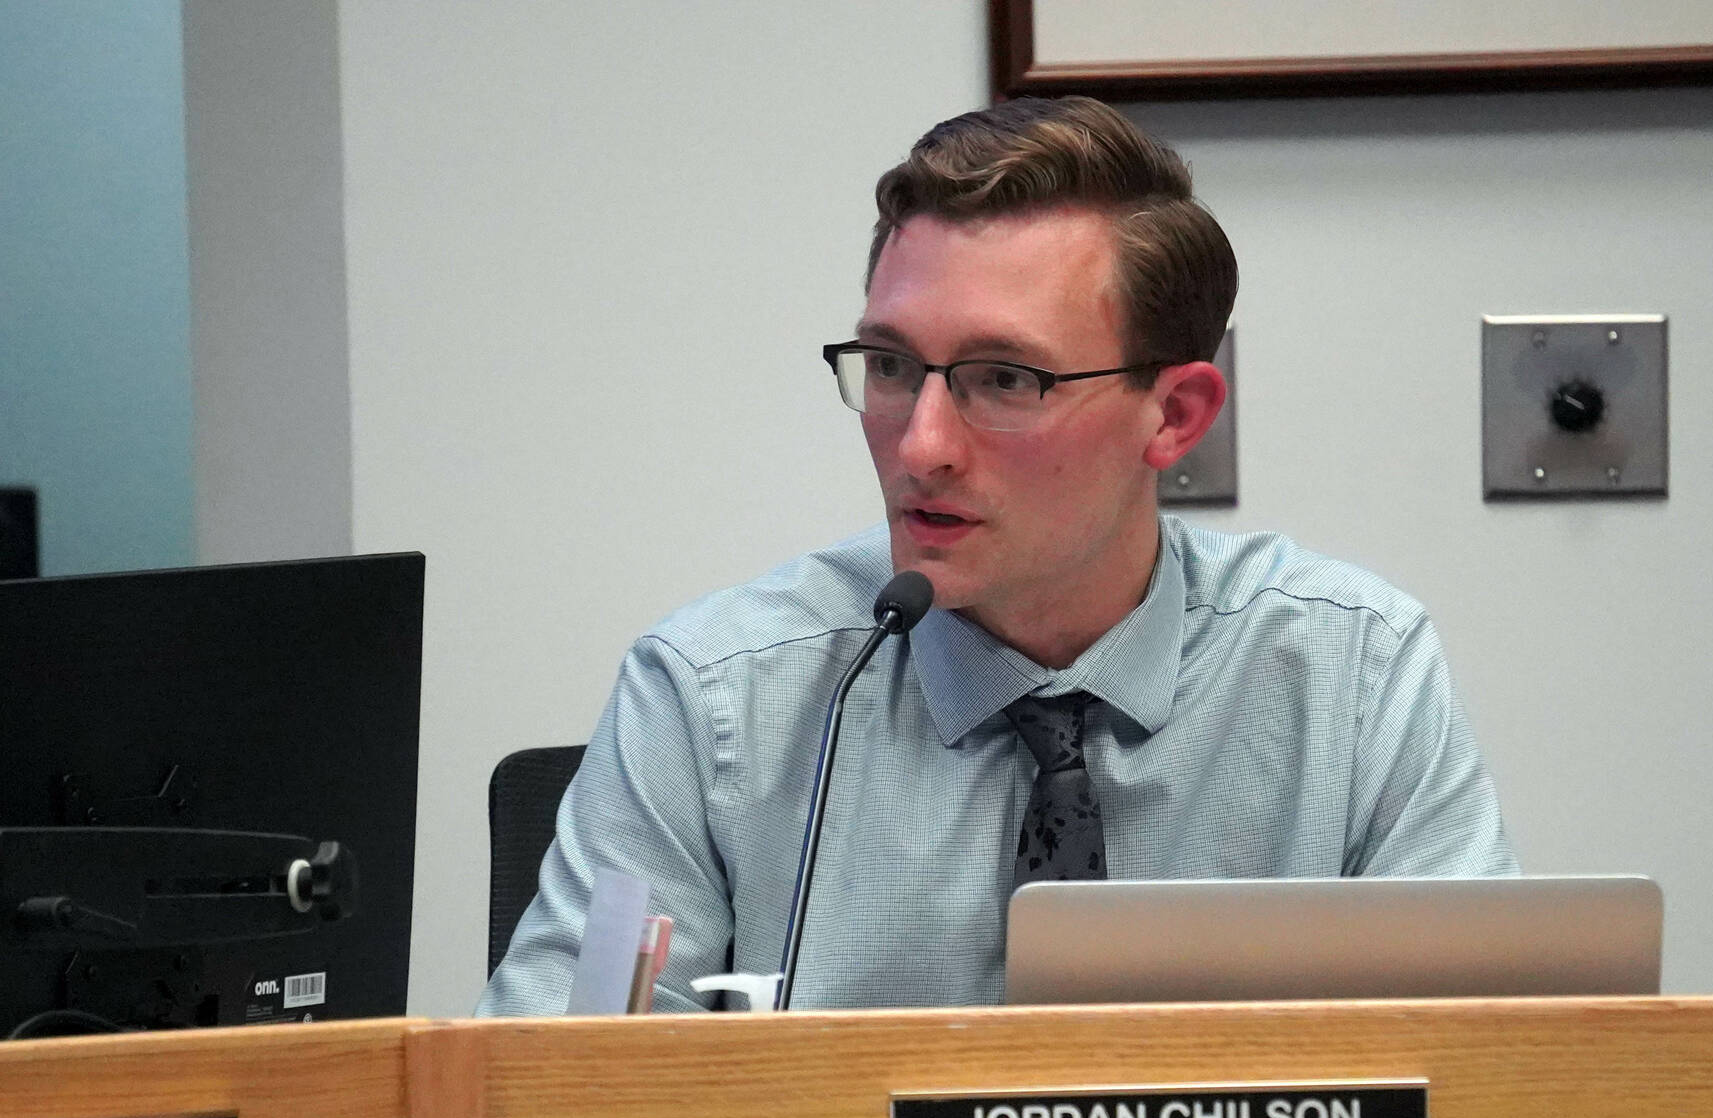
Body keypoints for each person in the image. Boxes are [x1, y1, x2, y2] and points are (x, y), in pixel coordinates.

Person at [479, 96, 1515, 1016]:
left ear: (1174, 412)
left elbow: (1495, 1090)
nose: (921, 443)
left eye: (1004, 380)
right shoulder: (710, 701)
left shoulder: (1350, 676)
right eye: (890, 366)